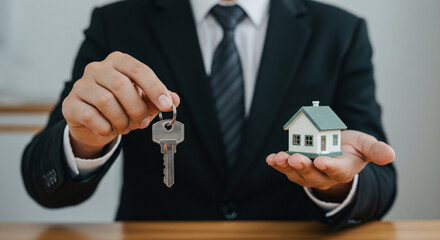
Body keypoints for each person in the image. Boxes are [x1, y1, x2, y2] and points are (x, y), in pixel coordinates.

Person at [22, 0, 396, 229]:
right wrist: (84, 141)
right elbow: (43, 182)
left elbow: (380, 181)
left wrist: (337, 183)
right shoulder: (117, 23)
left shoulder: (341, 32)